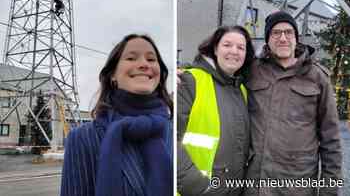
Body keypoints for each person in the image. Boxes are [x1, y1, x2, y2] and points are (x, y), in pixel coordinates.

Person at [243, 11, 342, 196]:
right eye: (276, 33)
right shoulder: (252, 70)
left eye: (288, 32)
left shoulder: (317, 77)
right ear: (268, 39)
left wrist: (329, 191)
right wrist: (187, 77)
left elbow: (331, 141)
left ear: (296, 39)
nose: (283, 38)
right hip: (254, 186)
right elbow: (222, 74)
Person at [61, 34, 173, 196]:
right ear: (112, 74)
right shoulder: (83, 139)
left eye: (151, 59)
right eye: (131, 58)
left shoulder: (172, 131)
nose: (143, 64)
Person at [177, 26, 255, 195]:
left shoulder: (242, 90)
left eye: (241, 47)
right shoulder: (190, 81)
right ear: (215, 49)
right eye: (227, 45)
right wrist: (197, 185)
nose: (234, 51)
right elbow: (168, 137)